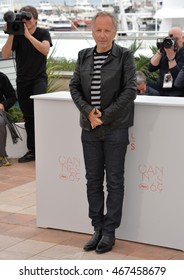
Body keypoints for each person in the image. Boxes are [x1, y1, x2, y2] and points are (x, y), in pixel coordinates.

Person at [69, 11, 137, 254]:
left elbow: (130, 90)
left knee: (115, 182)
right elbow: (74, 86)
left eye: (107, 30)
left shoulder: (124, 56)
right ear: (92, 31)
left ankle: (110, 232)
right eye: (99, 30)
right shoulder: (83, 56)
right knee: (93, 181)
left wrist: (104, 116)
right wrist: (88, 112)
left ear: (115, 32)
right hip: (89, 129)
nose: (103, 35)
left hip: (116, 129)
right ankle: (97, 228)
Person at [1, 5, 52, 163]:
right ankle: (32, 150)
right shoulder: (17, 34)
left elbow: (45, 50)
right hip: (22, 81)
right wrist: (12, 33)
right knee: (29, 117)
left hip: (38, 79)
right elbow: (5, 54)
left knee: (40, 114)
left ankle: (44, 148)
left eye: (29, 19)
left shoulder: (43, 33)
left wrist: (29, 36)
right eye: (23, 20)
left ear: (35, 19)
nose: (26, 22)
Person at [148, 26, 184, 97]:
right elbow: (151, 68)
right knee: (144, 85)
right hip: (161, 88)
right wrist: (161, 50)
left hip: (177, 90)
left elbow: (178, 79)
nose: (174, 42)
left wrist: (171, 58)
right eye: (171, 39)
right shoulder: (166, 50)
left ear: (183, 38)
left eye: (176, 39)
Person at [0, 72, 17, 167]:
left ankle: (1, 156)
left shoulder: (2, 77)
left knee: (0, 123)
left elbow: (12, 97)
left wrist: (3, 104)